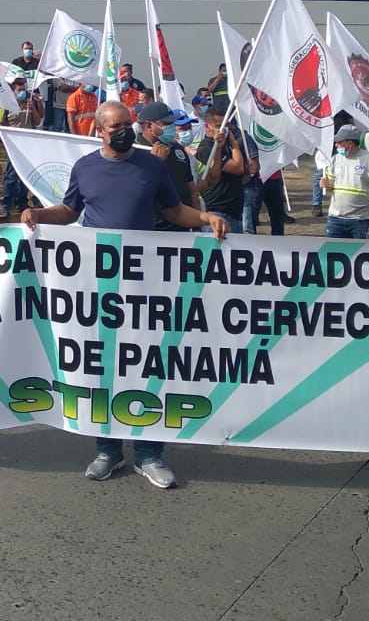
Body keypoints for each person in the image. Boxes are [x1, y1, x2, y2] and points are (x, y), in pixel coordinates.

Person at [21, 100, 229, 489]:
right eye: (115, 126)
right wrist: (38, 215)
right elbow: (69, 211)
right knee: (102, 365)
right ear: (99, 130)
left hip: (143, 284)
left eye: (127, 124)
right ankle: (108, 450)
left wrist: (205, 217)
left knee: (146, 364)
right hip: (99, 285)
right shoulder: (85, 167)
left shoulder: (151, 165)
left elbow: (174, 211)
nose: (123, 131)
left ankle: (150, 455)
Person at [136, 102, 199, 230]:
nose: (171, 127)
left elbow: (192, 190)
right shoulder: (135, 151)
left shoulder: (177, 149)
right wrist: (156, 163)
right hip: (153, 230)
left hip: (183, 228)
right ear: (149, 126)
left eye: (172, 123)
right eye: (166, 124)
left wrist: (198, 224)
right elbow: (135, 193)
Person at [321, 125, 369, 239]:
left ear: (349, 143)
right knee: (333, 249)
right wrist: (326, 185)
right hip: (335, 219)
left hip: (360, 220)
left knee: (360, 250)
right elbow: (331, 185)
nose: (336, 145)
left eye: (339, 142)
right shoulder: (334, 159)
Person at [193, 108, 247, 232]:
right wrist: (233, 141)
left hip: (234, 211)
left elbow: (241, 170)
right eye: (219, 126)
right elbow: (237, 168)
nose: (223, 129)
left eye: (226, 125)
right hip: (218, 211)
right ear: (207, 126)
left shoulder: (224, 145)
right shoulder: (207, 147)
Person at [0, 74, 45, 214]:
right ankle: (6, 203)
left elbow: (37, 121)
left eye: (23, 89)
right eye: (19, 90)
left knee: (26, 175)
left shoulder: (29, 103)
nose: (22, 92)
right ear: (13, 91)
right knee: (11, 176)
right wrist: (5, 141)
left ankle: (22, 202)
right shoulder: (7, 105)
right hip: (14, 147)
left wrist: (33, 108)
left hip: (28, 146)